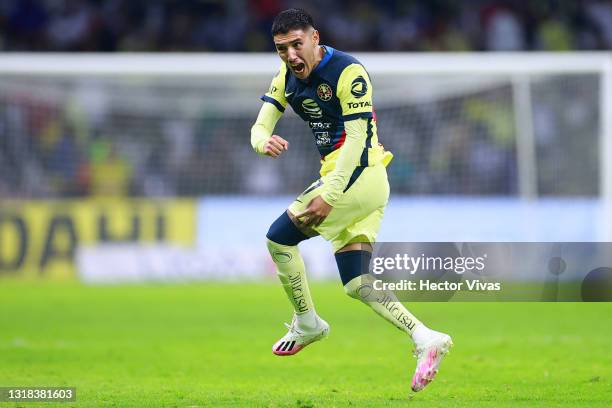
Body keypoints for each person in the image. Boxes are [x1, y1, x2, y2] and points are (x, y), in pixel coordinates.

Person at [250, 8, 452, 392]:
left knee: (278, 238)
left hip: (360, 174)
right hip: (356, 182)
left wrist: (331, 193)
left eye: (297, 44)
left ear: (314, 38)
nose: (291, 55)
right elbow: (261, 125)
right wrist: (263, 142)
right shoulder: (285, 77)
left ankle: (307, 322)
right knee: (356, 281)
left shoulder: (348, 71)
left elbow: (357, 141)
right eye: (281, 49)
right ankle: (426, 337)